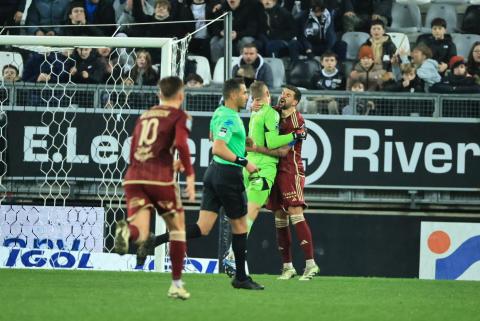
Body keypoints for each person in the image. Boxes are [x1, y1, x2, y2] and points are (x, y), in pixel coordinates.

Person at [148, 78, 265, 290]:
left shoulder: (220, 112)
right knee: (240, 226)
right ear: (233, 95)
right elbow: (218, 147)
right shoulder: (230, 119)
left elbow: (213, 136)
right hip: (228, 175)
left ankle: (156, 240)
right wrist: (244, 161)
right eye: (244, 93)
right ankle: (241, 277)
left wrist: (243, 143)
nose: (247, 96)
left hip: (213, 173)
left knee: (202, 228)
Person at [114, 76, 196, 300]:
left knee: (140, 232)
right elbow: (180, 144)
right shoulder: (180, 116)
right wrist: (189, 175)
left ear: (160, 95)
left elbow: (135, 151)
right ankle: (176, 284)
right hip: (159, 179)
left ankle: (125, 232)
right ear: (181, 95)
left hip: (133, 177)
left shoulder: (144, 115)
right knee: (178, 229)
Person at [222, 81, 306, 276]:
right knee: (250, 214)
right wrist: (295, 135)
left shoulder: (255, 111)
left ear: (254, 97)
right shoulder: (270, 113)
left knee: (244, 212)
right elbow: (272, 141)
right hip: (263, 169)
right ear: (267, 93)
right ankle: (233, 256)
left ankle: (234, 255)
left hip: (248, 166)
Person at [265, 85, 320, 280]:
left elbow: (282, 151)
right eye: (282, 93)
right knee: (279, 216)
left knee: (295, 212)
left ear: (295, 101)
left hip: (291, 171)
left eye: (287, 95)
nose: (283, 97)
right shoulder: (273, 113)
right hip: (274, 170)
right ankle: (287, 267)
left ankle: (310, 264)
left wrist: (256, 149)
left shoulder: (298, 121)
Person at [209, 0, 267, 64]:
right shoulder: (221, 8)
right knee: (215, 41)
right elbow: (214, 28)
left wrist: (237, 34)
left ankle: (245, 66)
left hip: (243, 35)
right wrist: (221, 32)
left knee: (246, 41)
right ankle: (218, 66)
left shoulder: (249, 8)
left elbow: (251, 29)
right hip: (225, 35)